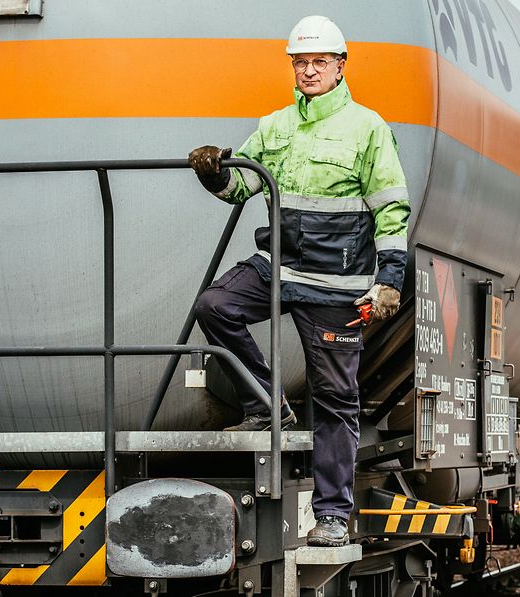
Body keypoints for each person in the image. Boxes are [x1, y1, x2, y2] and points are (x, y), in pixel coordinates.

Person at [188, 15, 409, 547]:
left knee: (334, 398)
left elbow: (391, 210)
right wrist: (215, 172)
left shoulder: (369, 129)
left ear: (340, 65)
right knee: (214, 305)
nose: (308, 71)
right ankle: (267, 405)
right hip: (280, 269)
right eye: (300, 62)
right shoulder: (276, 126)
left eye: (318, 62)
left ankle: (333, 514)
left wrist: (389, 280)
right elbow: (241, 185)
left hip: (337, 287)